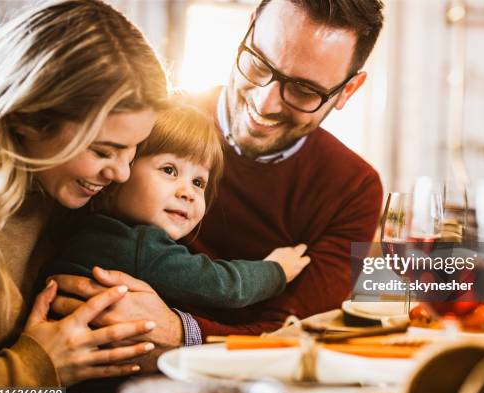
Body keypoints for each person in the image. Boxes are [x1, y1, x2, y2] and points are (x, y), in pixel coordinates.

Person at [51, 0, 384, 349]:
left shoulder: (354, 188)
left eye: (304, 91)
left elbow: (296, 334)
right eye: (259, 64)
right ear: (249, 28)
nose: (264, 103)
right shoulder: (155, 119)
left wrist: (181, 332)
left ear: (347, 90)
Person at [0, 0, 171, 386]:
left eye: (134, 146)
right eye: (103, 150)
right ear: (27, 120)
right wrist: (32, 371)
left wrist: (173, 330)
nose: (122, 172)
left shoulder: (65, 197)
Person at [44, 104, 311, 310]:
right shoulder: (138, 245)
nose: (188, 193)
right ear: (122, 171)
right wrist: (276, 271)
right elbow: (222, 286)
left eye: (198, 182)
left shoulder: (99, 232)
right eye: (169, 170)